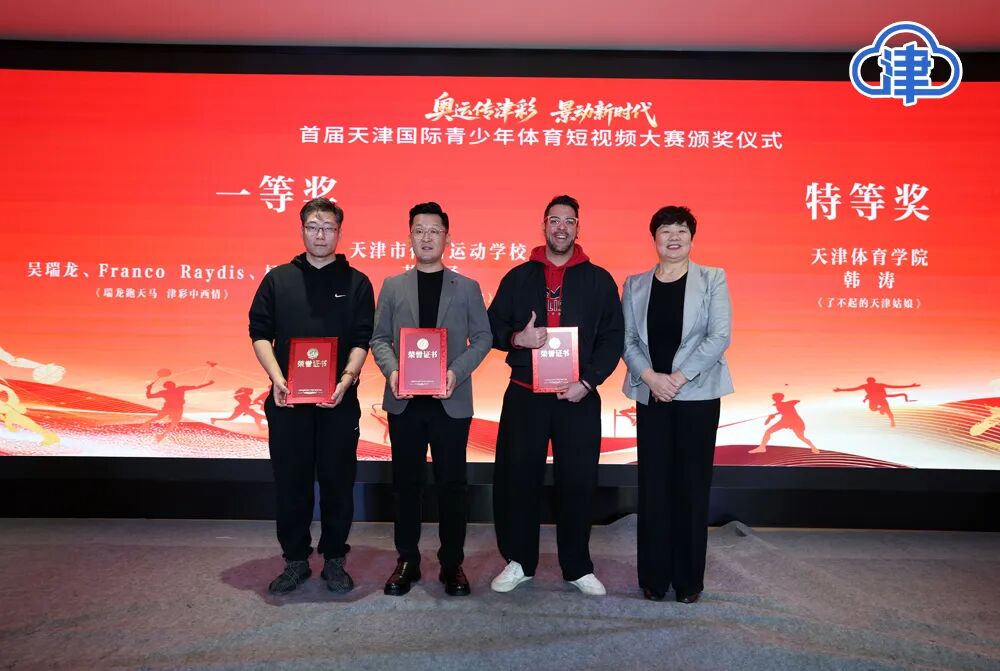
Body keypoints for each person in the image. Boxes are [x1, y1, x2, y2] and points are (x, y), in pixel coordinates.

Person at [488, 195, 623, 596]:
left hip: (578, 396)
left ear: (578, 228)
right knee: (518, 479)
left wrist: (589, 381)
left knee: (578, 481)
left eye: (569, 221)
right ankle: (518, 561)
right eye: (554, 220)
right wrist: (518, 338)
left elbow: (613, 337)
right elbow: (491, 327)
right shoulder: (518, 277)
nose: (561, 227)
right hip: (525, 395)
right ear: (543, 225)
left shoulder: (599, 280)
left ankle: (577, 567)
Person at [248, 198, 375, 595]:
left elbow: (363, 339)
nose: (321, 235)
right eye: (313, 227)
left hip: (338, 402)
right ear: (302, 230)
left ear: (339, 232)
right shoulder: (278, 280)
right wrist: (277, 378)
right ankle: (295, 560)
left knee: (338, 481)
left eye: (328, 227)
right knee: (291, 482)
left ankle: (335, 558)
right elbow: (259, 333)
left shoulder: (357, 282)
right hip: (288, 402)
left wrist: (347, 380)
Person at [370, 201, 492, 597]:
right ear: (409, 237)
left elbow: (484, 338)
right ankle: (406, 560)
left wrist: (456, 371)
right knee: (406, 484)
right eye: (419, 231)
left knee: (452, 485)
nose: (426, 237)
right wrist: (392, 372)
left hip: (449, 402)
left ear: (447, 238)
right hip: (404, 402)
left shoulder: (467, 287)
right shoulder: (393, 285)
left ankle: (452, 563)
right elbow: (379, 338)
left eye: (434, 231)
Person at [621, 205, 733, 604]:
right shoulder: (634, 284)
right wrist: (652, 378)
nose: (673, 237)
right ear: (654, 238)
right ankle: (654, 577)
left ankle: (688, 581)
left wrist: (678, 378)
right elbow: (627, 341)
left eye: (681, 230)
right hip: (652, 396)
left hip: (697, 396)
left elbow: (719, 336)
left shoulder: (712, 278)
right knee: (654, 487)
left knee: (691, 487)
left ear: (691, 238)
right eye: (665, 230)